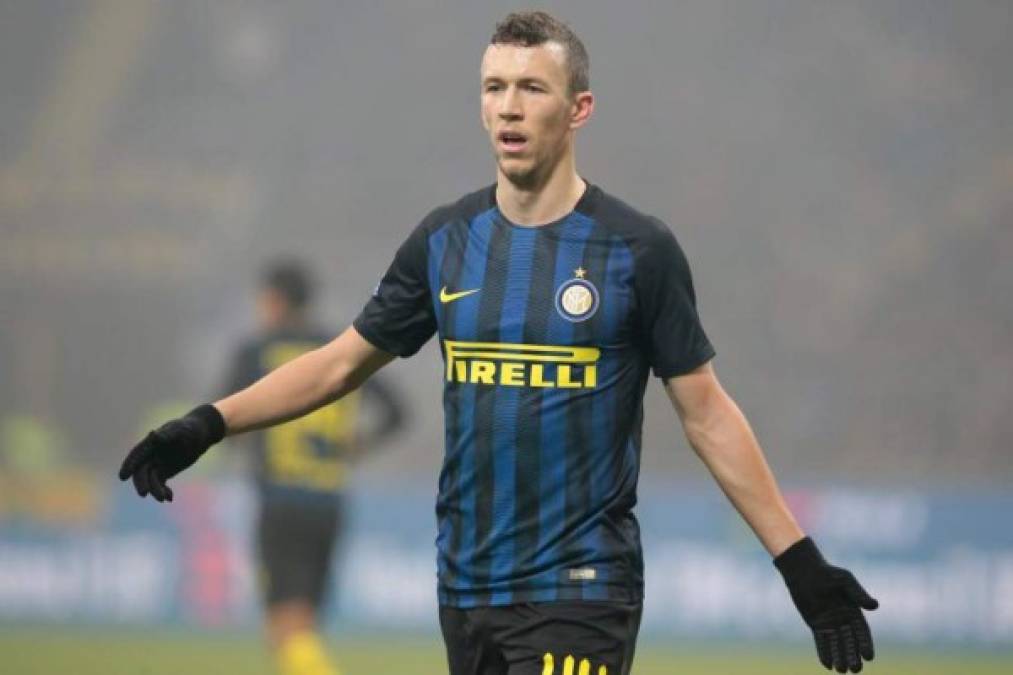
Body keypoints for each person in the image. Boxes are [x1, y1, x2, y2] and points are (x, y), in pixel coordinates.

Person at [119, 11, 878, 675]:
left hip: (581, 584)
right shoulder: (446, 240)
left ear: (578, 108)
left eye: (531, 88)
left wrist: (796, 560)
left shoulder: (637, 250)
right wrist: (207, 423)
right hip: (467, 584)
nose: (508, 108)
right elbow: (342, 362)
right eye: (493, 87)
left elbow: (706, 412)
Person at [225, 259, 406, 675]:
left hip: (281, 501)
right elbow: (397, 412)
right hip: (328, 502)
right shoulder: (336, 350)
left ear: (274, 300)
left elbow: (226, 415)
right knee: (300, 625)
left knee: (284, 625)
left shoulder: (258, 351)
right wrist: (358, 444)